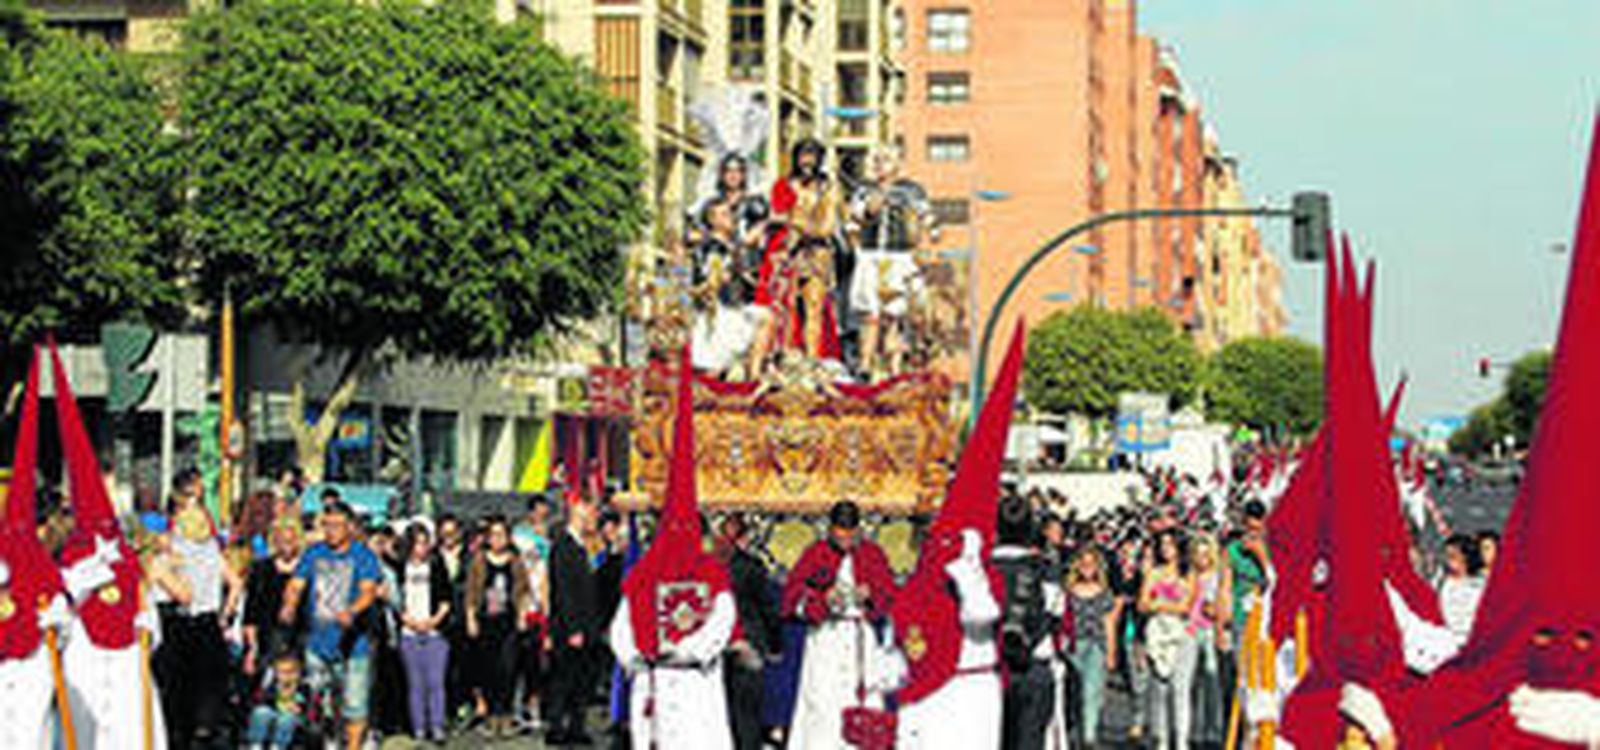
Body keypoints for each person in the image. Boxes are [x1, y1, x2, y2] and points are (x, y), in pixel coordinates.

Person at [609, 347, 738, 749]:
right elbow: (622, 626)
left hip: (695, 683)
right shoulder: (645, 574)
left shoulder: (712, 575)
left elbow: (721, 620)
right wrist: (636, 657)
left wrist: (686, 651)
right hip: (655, 683)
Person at [0, 351, 73, 749]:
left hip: (29, 668)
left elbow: (60, 615)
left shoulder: (42, 564)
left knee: (32, 735)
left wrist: (54, 620)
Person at [782, 500, 898, 750]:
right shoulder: (815, 553)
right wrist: (822, 599)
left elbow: (889, 596)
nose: (845, 540)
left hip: (860, 636)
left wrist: (871, 593)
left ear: (858, 531)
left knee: (865, 698)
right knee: (823, 703)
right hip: (826, 637)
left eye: (850, 535)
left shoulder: (872, 554)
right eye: (839, 534)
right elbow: (791, 598)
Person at [278, 497, 383, 750]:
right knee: (321, 703)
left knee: (354, 703)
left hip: (353, 644)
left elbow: (368, 591)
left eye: (336, 525)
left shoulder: (363, 556)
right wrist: (289, 605)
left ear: (349, 527)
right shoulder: (314, 553)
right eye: (326, 525)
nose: (330, 531)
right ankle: (332, 739)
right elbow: (295, 584)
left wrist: (352, 611)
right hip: (318, 642)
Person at [847, 146, 934, 379]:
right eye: (876, 159)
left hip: (900, 256)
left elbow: (927, 222)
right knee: (871, 314)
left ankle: (896, 367)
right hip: (871, 255)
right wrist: (869, 210)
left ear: (896, 164)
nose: (878, 164)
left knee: (896, 315)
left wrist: (924, 250)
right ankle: (865, 365)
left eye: (884, 160)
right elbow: (854, 220)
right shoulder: (864, 190)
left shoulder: (912, 191)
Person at [759, 138, 845, 363]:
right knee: (785, 308)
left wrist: (797, 223)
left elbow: (826, 227)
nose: (807, 161)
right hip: (787, 253)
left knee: (813, 307)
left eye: (812, 156)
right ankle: (785, 357)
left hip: (817, 254)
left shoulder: (828, 187)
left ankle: (812, 359)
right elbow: (775, 214)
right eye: (803, 156)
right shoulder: (785, 184)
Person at [993, 496, 1059, 750]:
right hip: (1034, 663)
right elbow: (1055, 614)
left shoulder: (983, 566)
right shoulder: (1045, 568)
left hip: (990, 667)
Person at [465, 515, 530, 738]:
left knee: (508, 668)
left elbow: (523, 590)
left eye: (502, 534)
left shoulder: (515, 560)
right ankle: (491, 716)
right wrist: (471, 617)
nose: (498, 539)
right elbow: (472, 591)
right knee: (488, 669)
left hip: (508, 621)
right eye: (493, 535)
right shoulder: (479, 560)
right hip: (486, 621)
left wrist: (522, 614)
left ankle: (505, 714)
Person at [720, 514, 782, 750]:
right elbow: (767, 608)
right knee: (748, 715)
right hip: (750, 642)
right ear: (744, 539)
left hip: (719, 645)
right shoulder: (752, 568)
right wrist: (775, 645)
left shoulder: (712, 565)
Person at [547, 495, 604, 745]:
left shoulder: (583, 546)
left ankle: (577, 727)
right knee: (564, 679)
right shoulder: (563, 546)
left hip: (587, 625)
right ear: (578, 517)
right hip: (570, 627)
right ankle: (557, 727)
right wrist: (573, 628)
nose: (594, 521)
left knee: (582, 680)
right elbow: (564, 591)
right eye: (590, 516)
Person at [395, 522, 454, 743]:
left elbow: (446, 599)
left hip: (435, 631)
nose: (422, 547)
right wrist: (408, 620)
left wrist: (433, 621)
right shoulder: (401, 568)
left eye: (425, 542)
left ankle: (437, 726)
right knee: (415, 683)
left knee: (435, 681)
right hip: (408, 631)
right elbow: (395, 601)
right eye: (417, 542)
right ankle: (419, 727)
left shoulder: (437, 566)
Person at [1140, 529, 1197, 750]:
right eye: (1162, 544)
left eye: (1170, 544)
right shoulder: (1154, 572)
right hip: (1157, 634)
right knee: (1159, 691)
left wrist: (1159, 604)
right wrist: (1166, 606)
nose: (1165, 549)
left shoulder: (1187, 573)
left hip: (1182, 634)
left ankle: (1182, 742)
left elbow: (1186, 607)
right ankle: (1161, 742)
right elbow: (1142, 603)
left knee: (1180, 690)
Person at [1065, 546, 1119, 748]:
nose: (1088, 568)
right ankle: (1073, 734)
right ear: (1077, 566)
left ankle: (1088, 737)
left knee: (1092, 691)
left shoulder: (1104, 593)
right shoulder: (1068, 591)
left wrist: (1111, 652)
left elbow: (1109, 623)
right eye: (1084, 563)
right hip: (1073, 645)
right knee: (1073, 692)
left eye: (1091, 564)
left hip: (1096, 644)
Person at [245, 516, 307, 680]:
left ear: (298, 540)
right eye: (281, 540)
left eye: (290, 540)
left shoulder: (309, 568)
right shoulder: (261, 569)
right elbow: (251, 613)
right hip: (269, 642)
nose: (286, 545)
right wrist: (252, 649)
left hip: (303, 641)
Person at [1188, 532, 1232, 748]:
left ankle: (1213, 732)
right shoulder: (1189, 576)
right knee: (1191, 684)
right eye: (1197, 554)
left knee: (1212, 680)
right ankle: (1192, 730)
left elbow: (1220, 605)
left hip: (1209, 630)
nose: (1201, 559)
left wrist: (1216, 614)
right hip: (1189, 631)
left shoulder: (1216, 577)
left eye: (1205, 554)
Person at [245, 652, 312, 750]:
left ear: (298, 673)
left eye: (290, 672)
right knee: (260, 712)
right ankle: (256, 743)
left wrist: (299, 707)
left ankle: (277, 746)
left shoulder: (303, 687)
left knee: (286, 719)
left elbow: (306, 704)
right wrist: (276, 691)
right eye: (282, 672)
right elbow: (265, 699)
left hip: (293, 716)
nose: (286, 676)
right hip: (274, 711)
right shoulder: (273, 685)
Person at [1436, 534, 1486, 642]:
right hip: (1449, 639)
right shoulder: (1442, 583)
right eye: (1447, 555)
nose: (1449, 560)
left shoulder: (1482, 583)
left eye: (1453, 555)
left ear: (1466, 555)